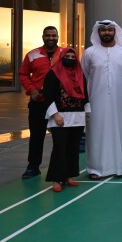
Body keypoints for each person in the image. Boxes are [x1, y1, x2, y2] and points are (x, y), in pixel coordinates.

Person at [82, 20, 122, 179]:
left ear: (115, 32)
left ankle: (121, 166)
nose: (106, 33)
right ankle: (95, 169)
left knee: (120, 132)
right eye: (103, 30)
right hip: (95, 100)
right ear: (98, 33)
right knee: (96, 133)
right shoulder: (90, 52)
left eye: (109, 30)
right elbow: (84, 76)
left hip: (120, 100)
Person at [19, 26, 65, 179]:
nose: (51, 38)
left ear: (57, 36)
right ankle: (33, 166)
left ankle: (62, 169)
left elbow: (74, 73)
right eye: (48, 35)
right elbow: (23, 74)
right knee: (36, 136)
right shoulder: (32, 55)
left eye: (53, 35)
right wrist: (31, 89)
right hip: (38, 102)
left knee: (60, 138)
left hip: (59, 104)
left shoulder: (65, 54)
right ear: (43, 37)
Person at [42, 48, 88, 192]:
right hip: (60, 117)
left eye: (72, 56)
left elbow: (85, 95)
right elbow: (48, 95)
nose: (70, 58)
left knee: (73, 147)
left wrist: (87, 113)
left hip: (78, 117)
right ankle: (57, 179)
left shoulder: (80, 74)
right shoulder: (53, 74)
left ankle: (69, 175)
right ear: (61, 58)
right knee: (60, 147)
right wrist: (55, 115)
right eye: (67, 56)